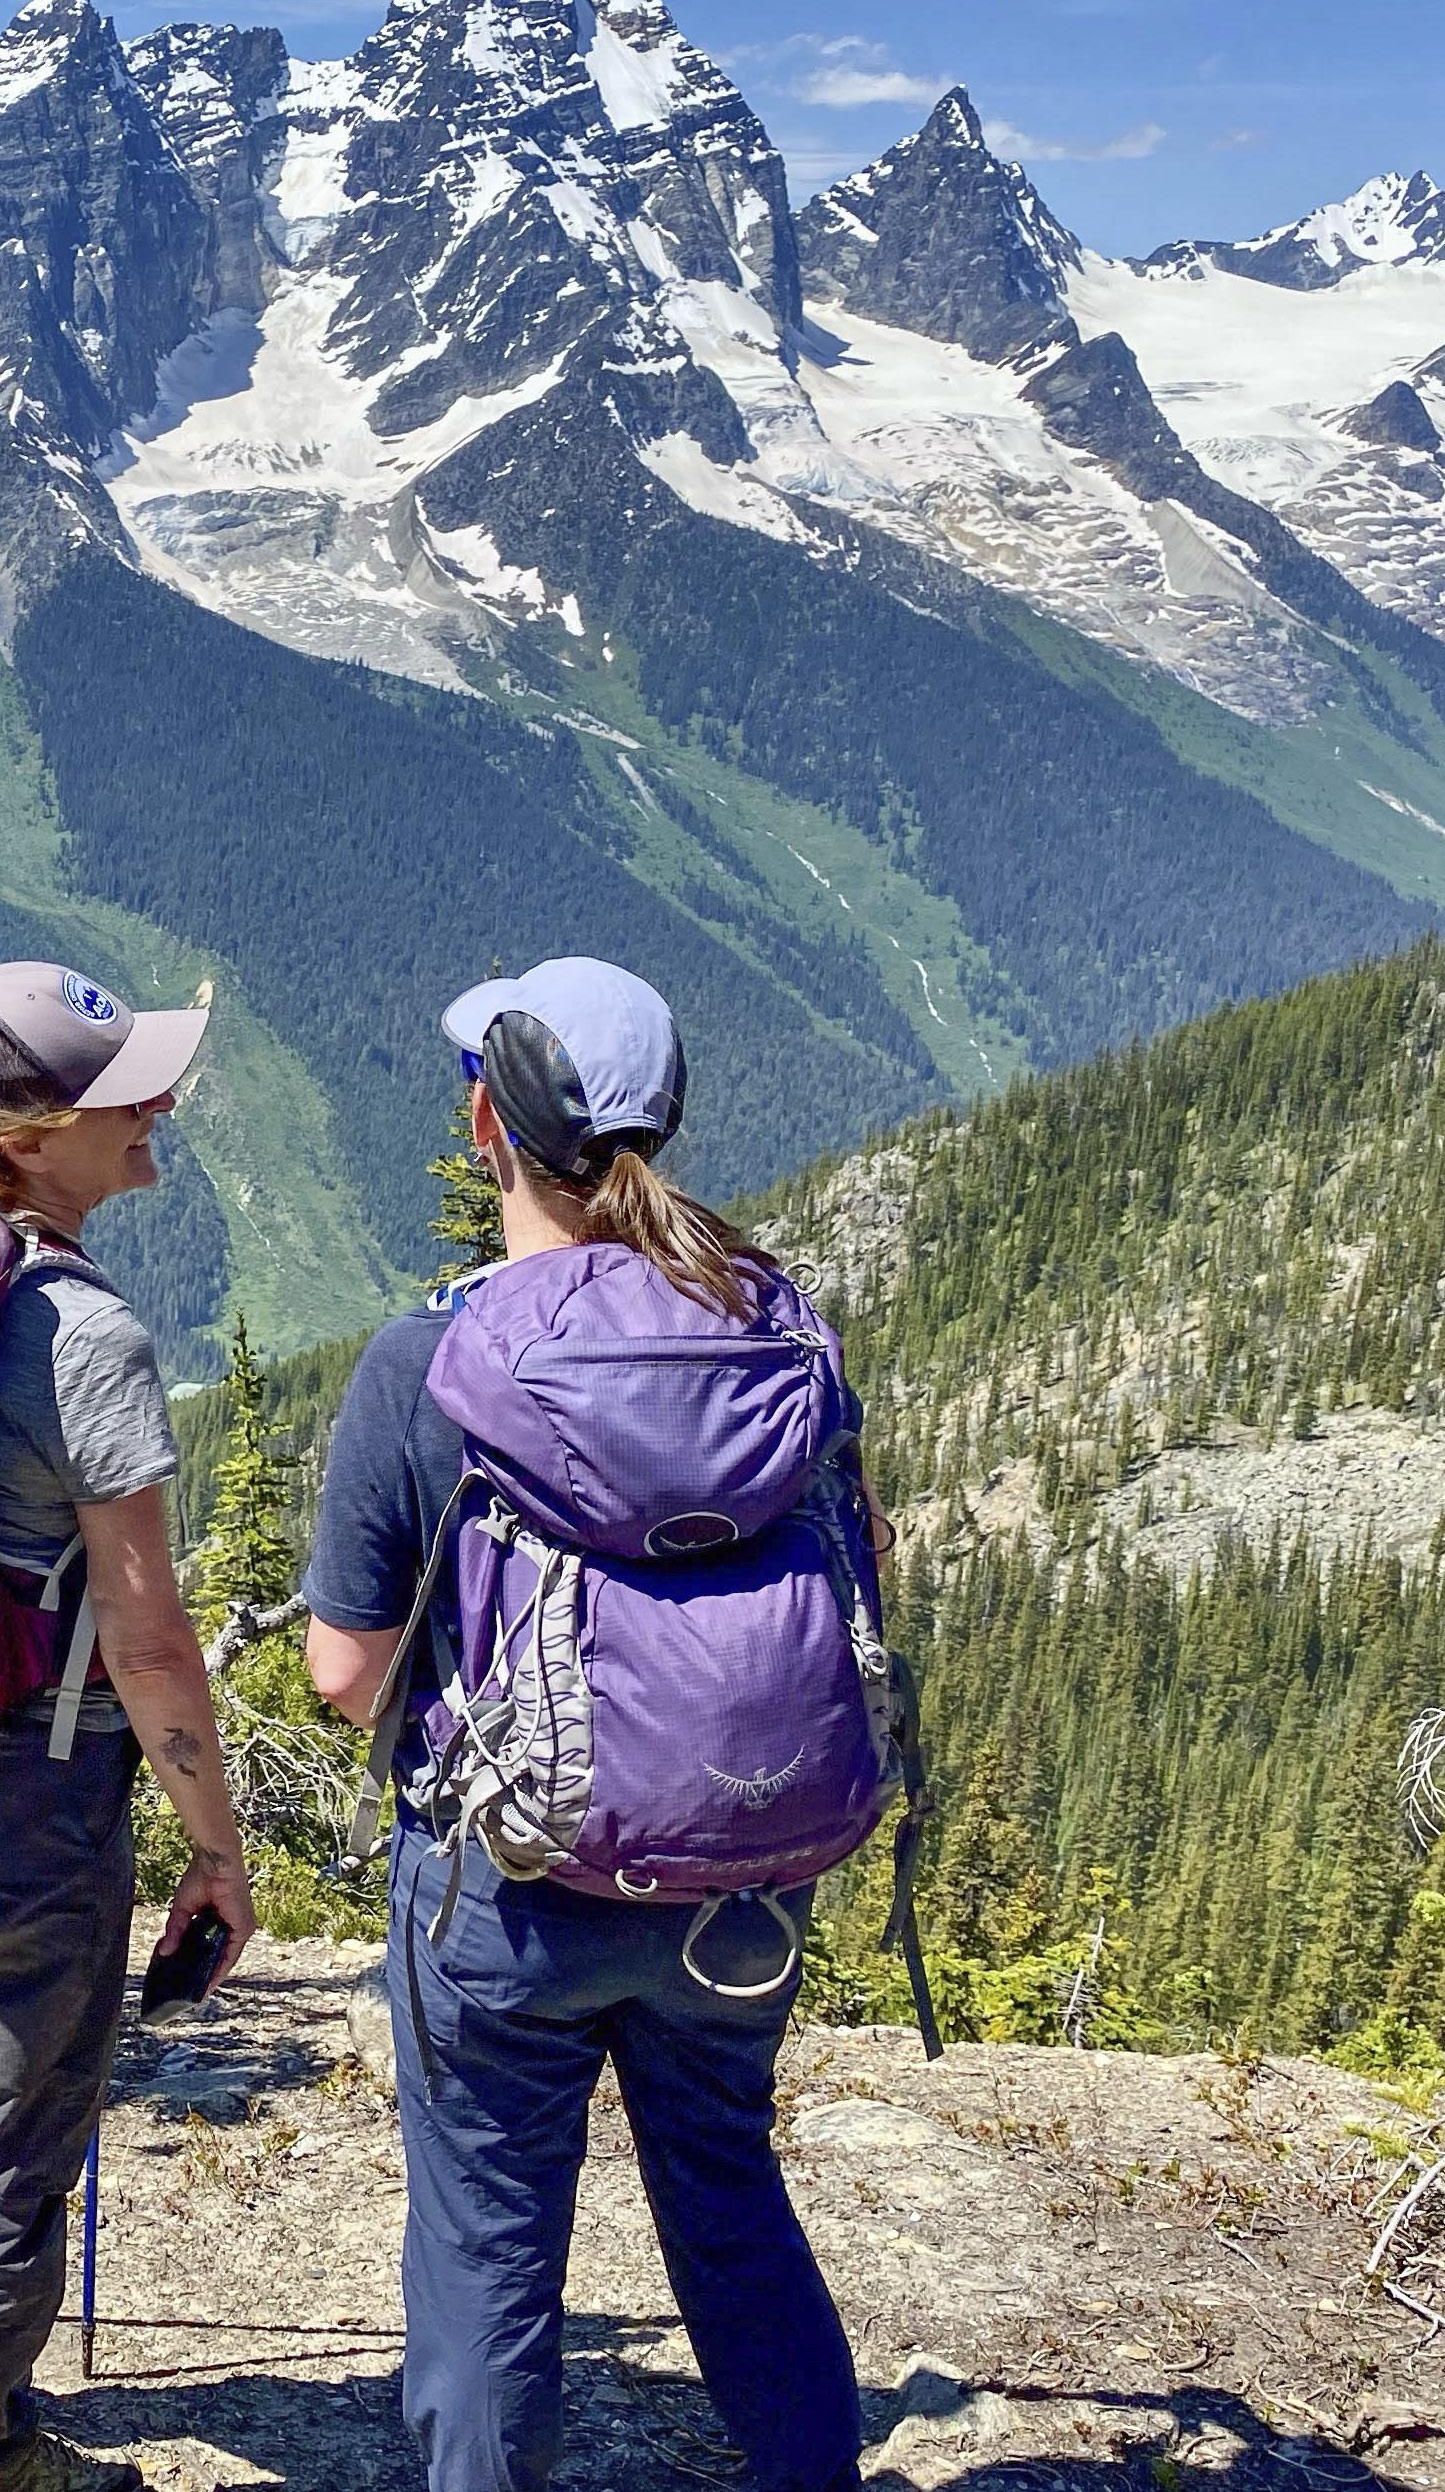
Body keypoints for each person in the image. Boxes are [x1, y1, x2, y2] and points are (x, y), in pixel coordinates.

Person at [304, 958, 865, 2492]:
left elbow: (345, 1672)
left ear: (486, 1123)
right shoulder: (779, 1342)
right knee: (731, 2200)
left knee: (486, 2247)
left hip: (509, 1887)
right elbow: (853, 1570)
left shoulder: (429, 1361)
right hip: (739, 1878)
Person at [0, 965, 257, 2492]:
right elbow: (149, 1640)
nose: (158, 1104)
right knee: (19, 2118)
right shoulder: (77, 1334)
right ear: (26, 1138)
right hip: (31, 1786)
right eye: (121, 1094)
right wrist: (215, 1852)